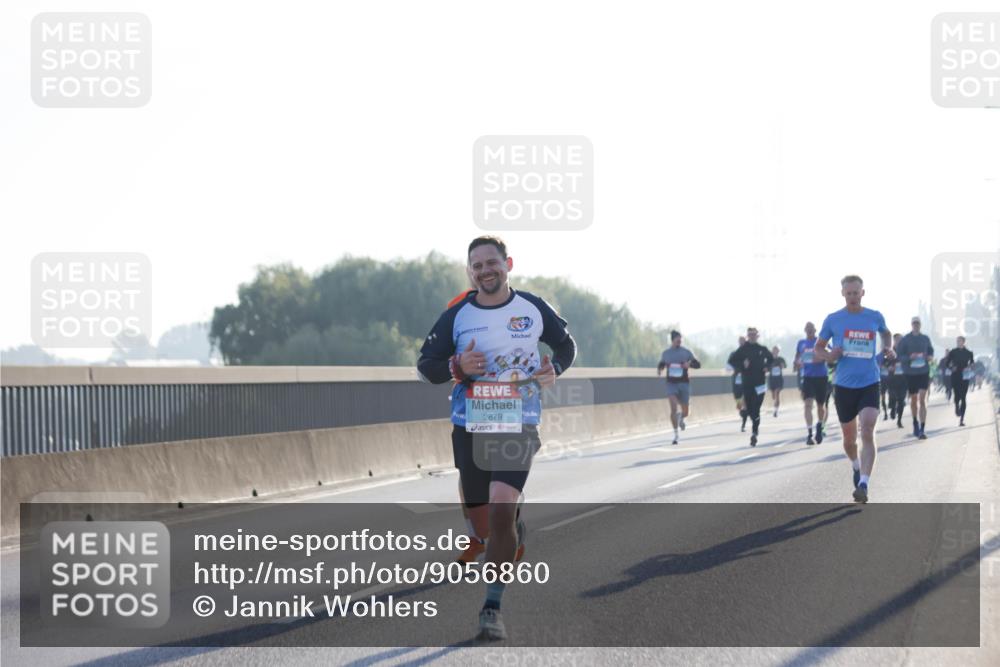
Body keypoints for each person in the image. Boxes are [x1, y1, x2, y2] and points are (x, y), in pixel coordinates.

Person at [417, 236, 577, 640]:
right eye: (477, 266)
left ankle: (492, 605)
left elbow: (566, 344)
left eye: (492, 263)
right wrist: (456, 364)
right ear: (470, 272)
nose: (485, 271)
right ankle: (500, 534)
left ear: (508, 264)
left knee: (503, 508)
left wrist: (553, 367)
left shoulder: (533, 307)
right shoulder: (457, 313)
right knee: (486, 520)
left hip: (518, 418)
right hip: (470, 421)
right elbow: (424, 367)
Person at [814, 275, 893, 504]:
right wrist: (830, 355)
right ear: (843, 294)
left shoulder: (874, 316)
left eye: (856, 293)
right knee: (850, 439)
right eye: (848, 293)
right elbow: (818, 349)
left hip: (870, 381)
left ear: (862, 293)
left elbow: (886, 333)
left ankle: (864, 484)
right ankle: (856, 466)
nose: (852, 297)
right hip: (844, 385)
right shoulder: (833, 319)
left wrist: (888, 347)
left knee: (867, 429)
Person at [728, 327, 774, 447]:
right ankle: (755, 429)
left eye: (754, 334)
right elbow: (732, 361)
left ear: (757, 336)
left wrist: (767, 367)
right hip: (747, 383)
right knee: (750, 409)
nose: (752, 336)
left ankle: (754, 432)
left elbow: (772, 360)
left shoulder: (762, 349)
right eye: (750, 334)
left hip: (760, 384)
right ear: (747, 336)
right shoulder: (743, 349)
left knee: (757, 407)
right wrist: (742, 365)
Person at [656, 330, 702, 445]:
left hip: (684, 383)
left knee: (686, 411)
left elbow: (698, 364)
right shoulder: (666, 353)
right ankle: (676, 434)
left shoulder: (686, 352)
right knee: (673, 408)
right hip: (671, 383)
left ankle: (681, 417)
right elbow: (661, 364)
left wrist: (689, 364)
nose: (679, 342)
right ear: (672, 340)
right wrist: (660, 369)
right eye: (677, 340)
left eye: (680, 340)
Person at [896, 316, 934, 439]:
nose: (916, 325)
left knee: (923, 400)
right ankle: (915, 422)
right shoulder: (906, 339)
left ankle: (922, 429)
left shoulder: (925, 338)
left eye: (918, 323)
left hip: (923, 371)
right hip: (911, 373)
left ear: (920, 325)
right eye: (914, 323)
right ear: (911, 325)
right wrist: (909, 358)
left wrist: (929, 357)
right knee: (914, 400)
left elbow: (930, 351)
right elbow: (899, 356)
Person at [795, 322, 828, 445]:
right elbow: (797, 358)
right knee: (807, 404)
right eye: (807, 329)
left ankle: (819, 425)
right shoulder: (801, 343)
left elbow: (828, 355)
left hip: (821, 377)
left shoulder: (821, 342)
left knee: (820, 405)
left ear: (815, 330)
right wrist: (798, 362)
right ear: (805, 330)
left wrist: (819, 358)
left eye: (811, 329)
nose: (809, 331)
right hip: (808, 377)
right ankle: (809, 433)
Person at [946, 337, 975, 427]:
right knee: (957, 395)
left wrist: (969, 366)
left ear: (963, 342)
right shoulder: (953, 352)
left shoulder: (969, 353)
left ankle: (962, 419)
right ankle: (956, 406)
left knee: (963, 397)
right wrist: (951, 368)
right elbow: (947, 363)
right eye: (957, 341)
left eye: (960, 341)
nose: (958, 343)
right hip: (955, 375)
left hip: (965, 376)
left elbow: (972, 363)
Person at [727, 336, 748, 431]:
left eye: (743, 341)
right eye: (740, 341)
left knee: (745, 400)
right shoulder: (733, 354)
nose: (742, 343)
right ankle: (743, 414)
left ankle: (743, 424)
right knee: (738, 403)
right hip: (736, 380)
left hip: (747, 379)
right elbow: (728, 366)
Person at [887, 334, 908, 429]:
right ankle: (892, 407)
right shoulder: (889, 351)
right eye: (896, 340)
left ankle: (899, 420)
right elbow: (883, 362)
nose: (898, 341)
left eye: (900, 340)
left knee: (901, 400)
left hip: (903, 379)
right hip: (892, 379)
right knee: (893, 397)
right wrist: (889, 367)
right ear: (894, 341)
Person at [768, 346, 787, 417]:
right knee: (773, 396)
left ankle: (776, 411)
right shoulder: (769, 359)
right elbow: (766, 367)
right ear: (772, 351)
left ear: (778, 351)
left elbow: (785, 366)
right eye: (774, 350)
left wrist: (782, 365)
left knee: (777, 393)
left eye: (776, 350)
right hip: (772, 379)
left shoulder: (781, 359)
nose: (775, 351)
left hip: (779, 379)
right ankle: (775, 406)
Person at [877, 350, 890, 420]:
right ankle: (885, 413)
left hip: (887, 380)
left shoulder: (889, 358)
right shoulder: (879, 358)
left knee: (884, 398)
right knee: (882, 398)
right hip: (881, 380)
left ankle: (886, 412)